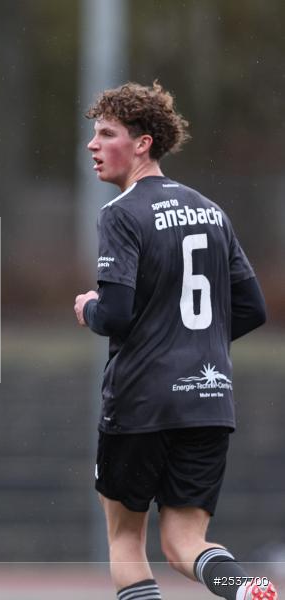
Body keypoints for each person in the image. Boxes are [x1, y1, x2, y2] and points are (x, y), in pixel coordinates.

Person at [73, 81, 274, 600]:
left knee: (125, 541)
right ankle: (247, 587)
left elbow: (114, 314)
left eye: (106, 134)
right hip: (209, 401)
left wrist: (87, 307)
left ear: (142, 143)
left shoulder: (121, 213)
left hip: (142, 400)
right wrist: (194, 342)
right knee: (187, 544)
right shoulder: (212, 212)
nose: (93, 145)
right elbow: (252, 309)